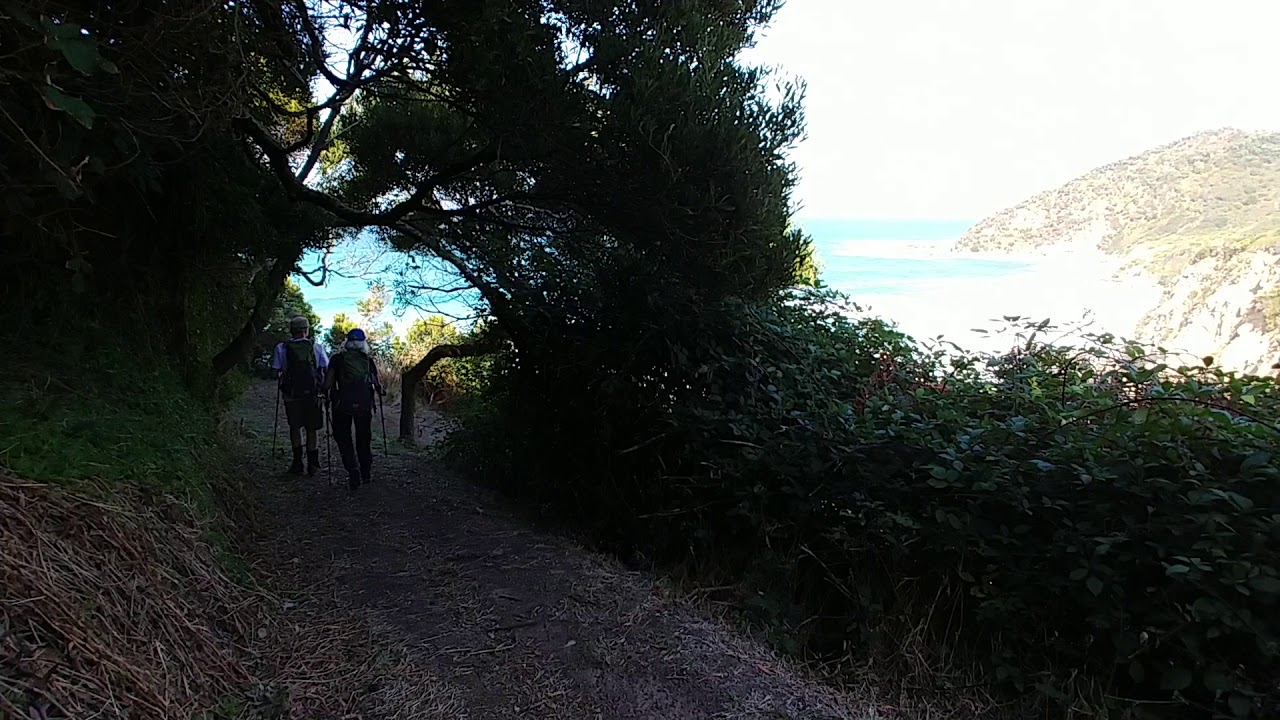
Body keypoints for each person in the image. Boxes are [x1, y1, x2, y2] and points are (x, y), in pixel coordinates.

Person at [323, 327, 384, 493]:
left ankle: (352, 468)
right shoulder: (367, 360)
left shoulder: (337, 359)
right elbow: (378, 385)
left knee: (343, 437)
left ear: (348, 343)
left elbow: (328, 384)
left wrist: (322, 391)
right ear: (363, 343)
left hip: (342, 405)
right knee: (363, 438)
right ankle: (366, 472)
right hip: (364, 404)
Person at [272, 316, 329, 476]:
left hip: (292, 395)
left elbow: (276, 370)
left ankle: (297, 463)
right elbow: (324, 368)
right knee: (312, 429)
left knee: (295, 427)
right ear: (307, 330)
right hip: (312, 394)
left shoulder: (282, 348)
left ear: (291, 331)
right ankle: (313, 464)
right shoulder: (316, 347)